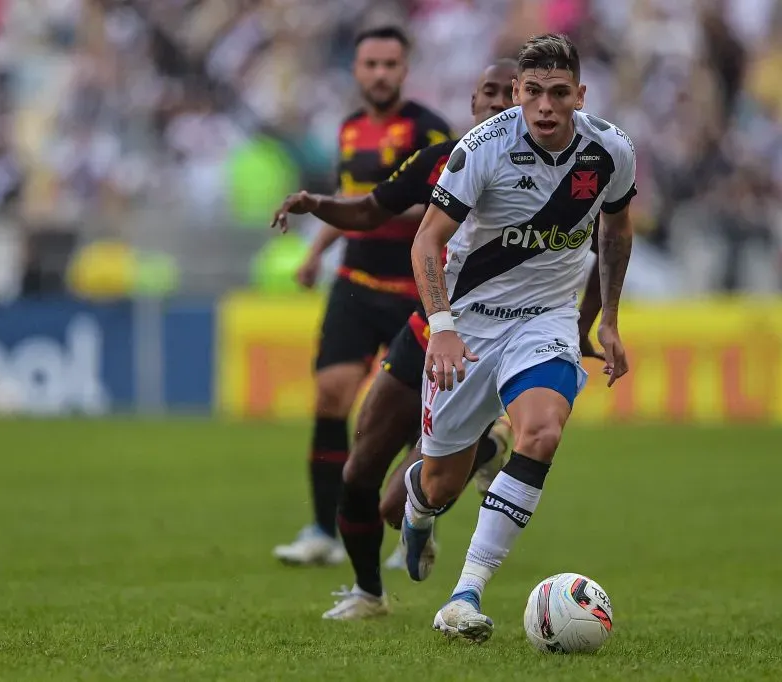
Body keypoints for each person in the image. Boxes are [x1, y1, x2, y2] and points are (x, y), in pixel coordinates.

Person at [271, 59, 605, 620]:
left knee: (443, 481)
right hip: (431, 332)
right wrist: (317, 207)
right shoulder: (447, 160)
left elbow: (599, 240)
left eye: (511, 94)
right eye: (490, 94)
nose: (501, 104)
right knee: (371, 486)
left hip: (511, 331)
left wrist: (590, 320)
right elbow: (372, 208)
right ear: (473, 103)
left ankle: (481, 466)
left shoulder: (563, 167)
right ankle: (369, 592)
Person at [402, 34, 635, 642]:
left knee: (541, 431)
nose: (546, 107)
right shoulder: (482, 147)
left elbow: (615, 230)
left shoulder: (610, 151)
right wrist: (443, 329)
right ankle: (417, 507)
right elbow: (426, 241)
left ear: (580, 95)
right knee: (440, 484)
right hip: (470, 323)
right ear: (516, 94)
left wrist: (605, 318)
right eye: (533, 93)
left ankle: (465, 593)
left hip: (547, 317)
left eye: (560, 93)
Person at [272, 26, 453, 566]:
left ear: (404, 69)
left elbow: (441, 210)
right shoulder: (350, 130)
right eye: (370, 64)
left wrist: (383, 207)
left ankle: (410, 527)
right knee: (331, 395)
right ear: (356, 70)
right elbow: (351, 203)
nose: (379, 73)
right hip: (355, 282)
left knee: (403, 415)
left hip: (411, 287)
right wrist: (316, 252)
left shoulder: (430, 130)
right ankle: (323, 529)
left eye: (389, 64)